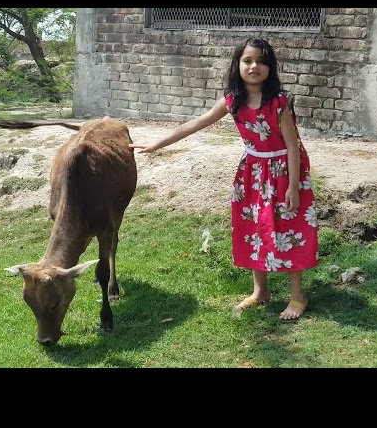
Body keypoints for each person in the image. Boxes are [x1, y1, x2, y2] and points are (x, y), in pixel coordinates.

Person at [129, 37, 318, 322]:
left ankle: (297, 295)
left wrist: (292, 186)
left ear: (270, 67)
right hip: (252, 172)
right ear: (237, 65)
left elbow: (292, 145)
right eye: (248, 61)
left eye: (261, 61)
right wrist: (156, 144)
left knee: (288, 226)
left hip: (284, 170)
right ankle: (260, 291)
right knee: (254, 227)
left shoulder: (280, 102)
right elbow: (197, 123)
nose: (254, 66)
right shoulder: (232, 101)